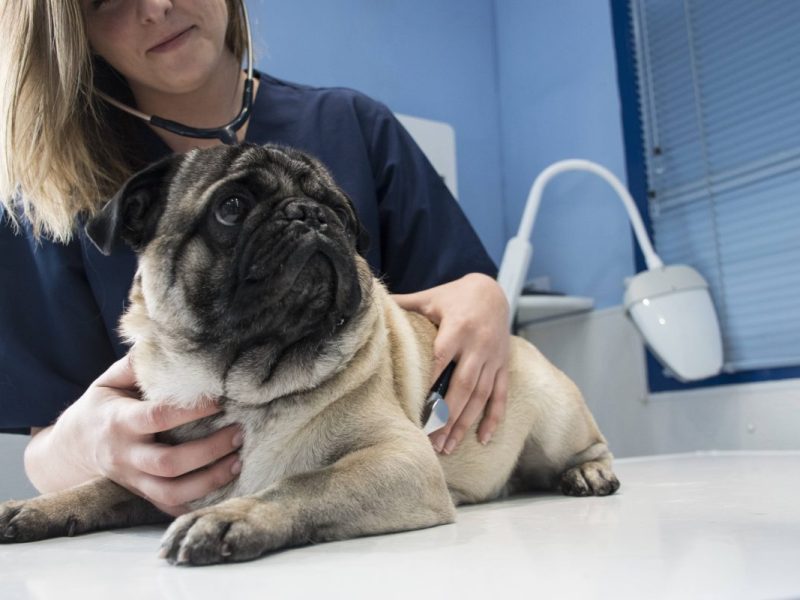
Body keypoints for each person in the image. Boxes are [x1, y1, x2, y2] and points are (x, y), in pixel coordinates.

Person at [0, 0, 510, 517]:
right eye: (106, 0)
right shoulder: (49, 196)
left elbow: (460, 347)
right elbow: (44, 442)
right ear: (70, 31)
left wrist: (484, 295)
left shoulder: (354, 125)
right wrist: (80, 447)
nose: (155, 7)